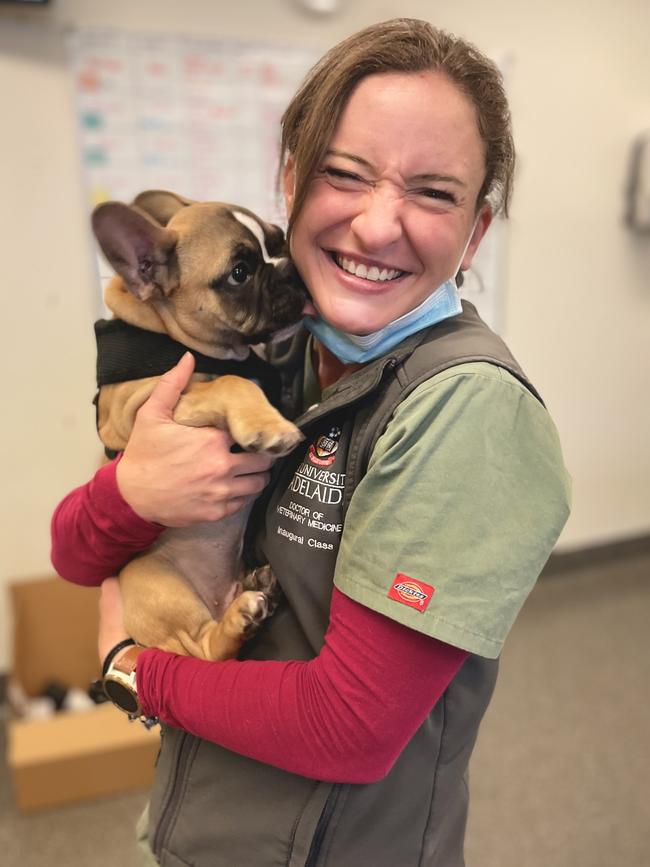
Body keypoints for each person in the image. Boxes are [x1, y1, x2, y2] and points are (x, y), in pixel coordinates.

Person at [51, 18, 570, 867]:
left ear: (475, 232)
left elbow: (350, 728)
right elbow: (74, 551)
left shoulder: (468, 411)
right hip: (203, 823)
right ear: (291, 181)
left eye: (434, 193)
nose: (376, 225)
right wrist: (129, 492)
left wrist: (132, 670)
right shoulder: (277, 352)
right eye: (346, 174)